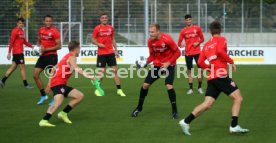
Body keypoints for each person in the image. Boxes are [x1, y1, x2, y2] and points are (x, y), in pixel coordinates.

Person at [179, 21, 249, 135]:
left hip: (212, 77)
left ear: (210, 32)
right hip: (221, 75)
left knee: (207, 104)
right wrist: (231, 62)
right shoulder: (222, 39)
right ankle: (234, 125)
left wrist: (208, 68)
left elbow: (200, 62)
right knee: (238, 98)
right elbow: (220, 51)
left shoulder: (206, 45)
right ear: (220, 30)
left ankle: (186, 121)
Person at [39, 41, 99, 127]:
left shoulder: (65, 57)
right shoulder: (72, 57)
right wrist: (91, 77)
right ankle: (44, 120)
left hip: (59, 84)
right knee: (57, 102)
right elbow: (77, 69)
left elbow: (53, 69)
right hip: (58, 83)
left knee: (79, 96)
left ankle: (63, 113)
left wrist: (49, 83)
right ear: (76, 49)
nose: (80, 50)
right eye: (79, 48)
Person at [131, 24, 181, 119]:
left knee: (168, 85)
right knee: (145, 85)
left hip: (170, 65)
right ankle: (139, 108)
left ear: (158, 31)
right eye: (150, 32)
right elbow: (152, 56)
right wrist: (145, 62)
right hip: (157, 65)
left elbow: (178, 52)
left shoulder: (167, 39)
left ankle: (174, 111)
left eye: (152, 32)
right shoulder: (150, 41)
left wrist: (168, 63)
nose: (150, 34)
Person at [91, 12, 126, 97]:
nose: (104, 19)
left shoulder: (111, 28)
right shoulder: (97, 28)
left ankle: (119, 90)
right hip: (101, 54)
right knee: (101, 73)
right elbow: (93, 39)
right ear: (100, 19)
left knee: (115, 71)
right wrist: (98, 44)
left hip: (110, 53)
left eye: (105, 18)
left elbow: (113, 39)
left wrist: (116, 50)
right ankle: (98, 89)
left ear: (107, 19)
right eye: (102, 18)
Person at [33, 15, 61, 105]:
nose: (48, 22)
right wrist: (37, 48)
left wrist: (46, 49)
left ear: (51, 22)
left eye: (50, 21)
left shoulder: (55, 31)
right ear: (44, 21)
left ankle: (55, 98)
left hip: (52, 56)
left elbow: (59, 46)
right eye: (46, 21)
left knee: (53, 78)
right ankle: (43, 95)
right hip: (43, 56)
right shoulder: (41, 30)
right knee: (35, 75)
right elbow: (39, 41)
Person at [0, 18, 33, 89]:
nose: (21, 24)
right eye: (20, 23)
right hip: (18, 53)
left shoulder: (22, 31)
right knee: (22, 68)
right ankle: (26, 84)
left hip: (19, 52)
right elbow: (11, 42)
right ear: (17, 23)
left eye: (22, 23)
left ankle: (2, 81)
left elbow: (24, 41)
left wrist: (31, 46)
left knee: (13, 67)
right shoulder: (14, 31)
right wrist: (9, 52)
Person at [178, 14, 204, 94]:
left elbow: (202, 38)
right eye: (187, 20)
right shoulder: (183, 31)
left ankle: (200, 87)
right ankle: (191, 88)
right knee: (190, 71)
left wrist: (198, 42)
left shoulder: (197, 28)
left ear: (191, 20)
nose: (188, 21)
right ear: (185, 21)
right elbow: (179, 43)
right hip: (188, 53)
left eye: (189, 19)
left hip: (197, 52)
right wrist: (181, 45)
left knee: (200, 69)